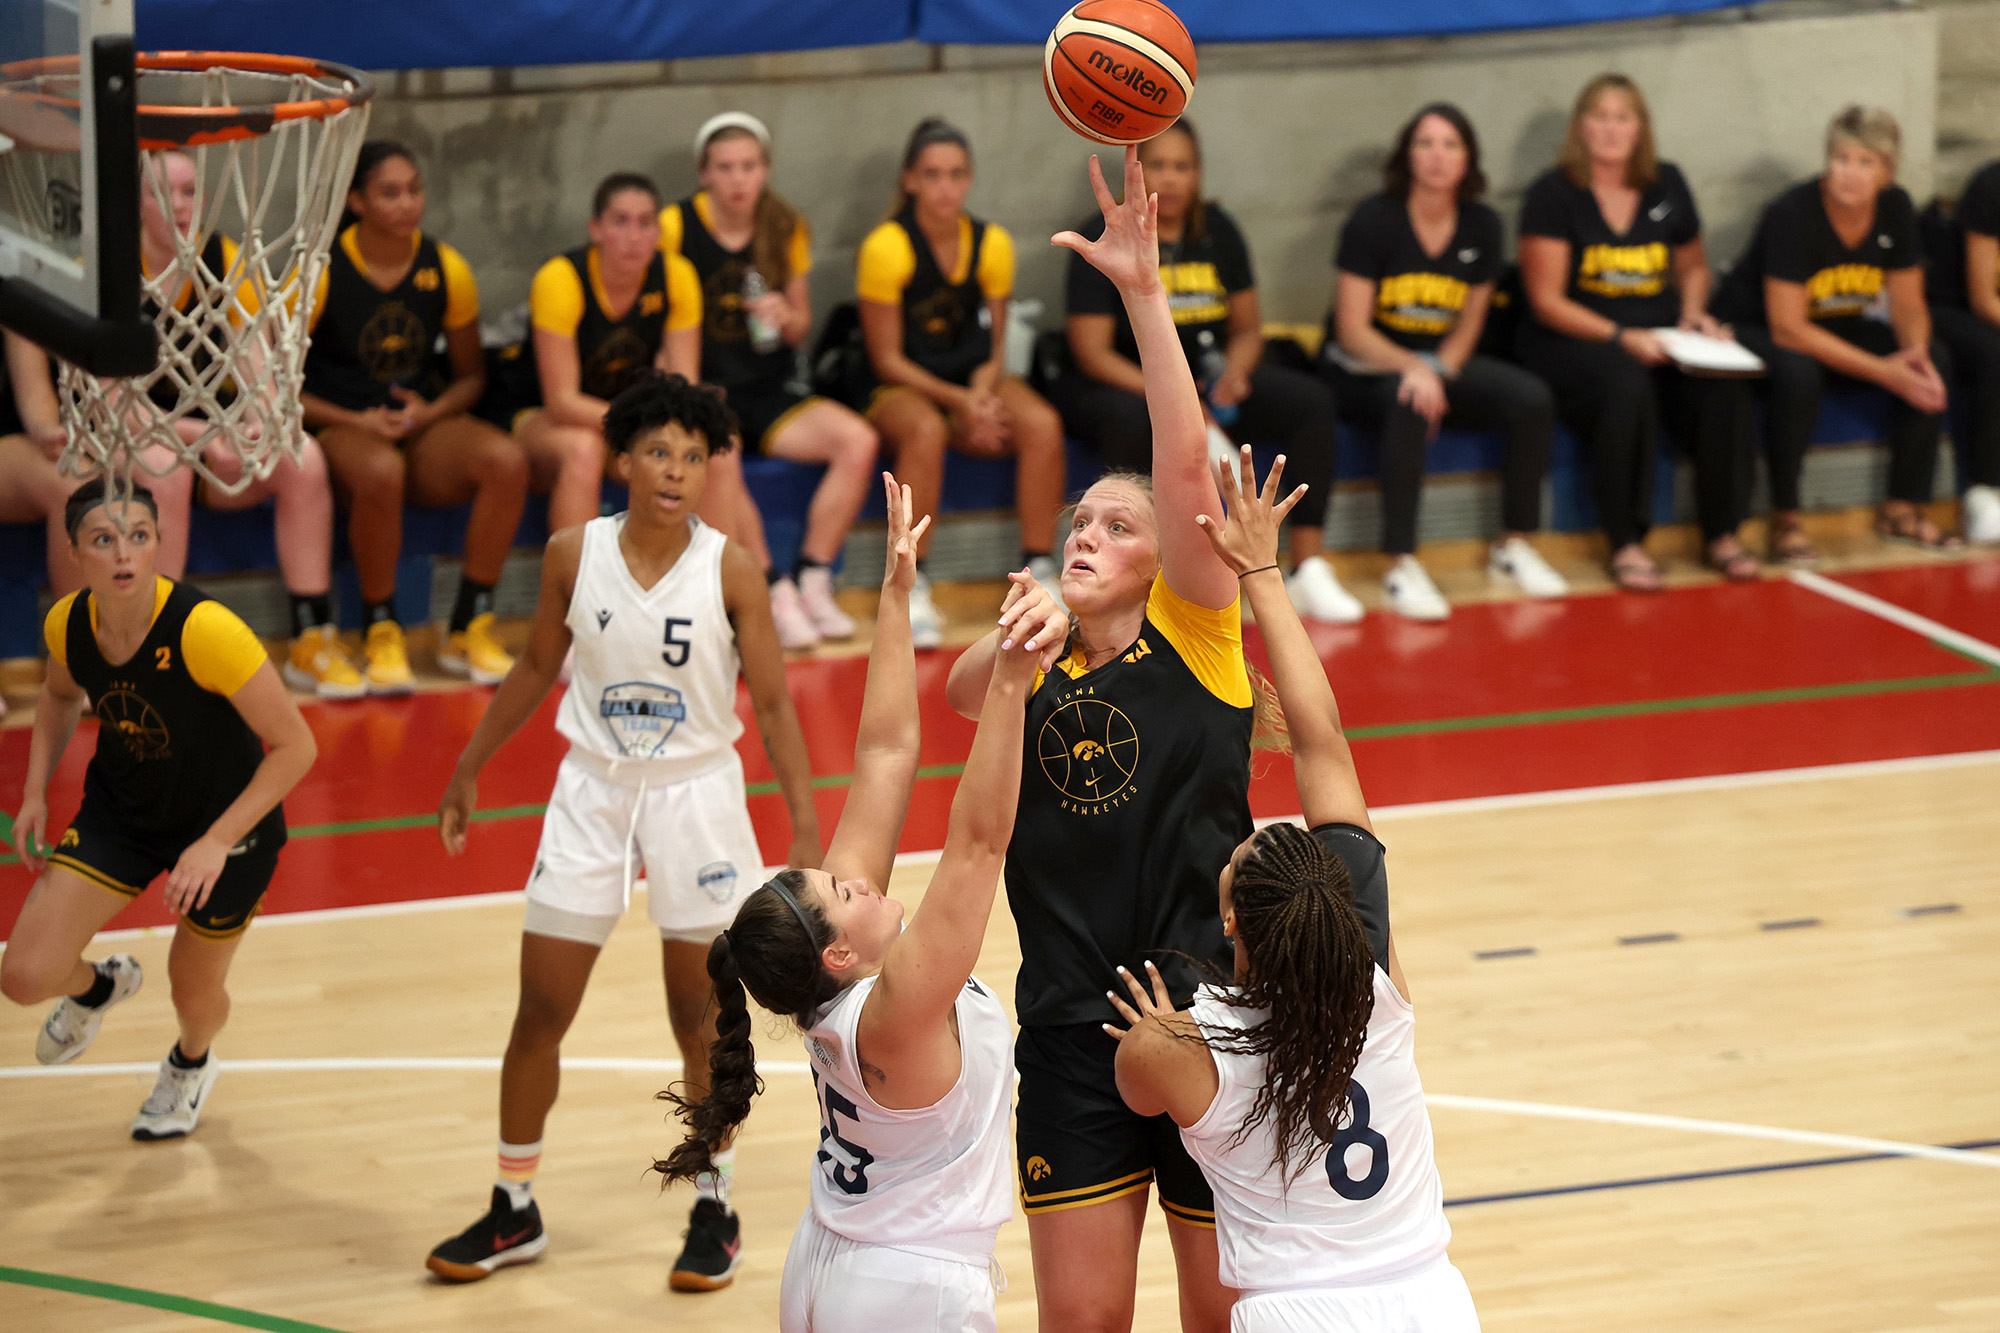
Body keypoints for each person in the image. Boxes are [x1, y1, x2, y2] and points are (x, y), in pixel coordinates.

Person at [944, 147, 1257, 1333]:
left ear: (1159, 557)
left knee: (1216, 1317)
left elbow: (1184, 471)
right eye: (1077, 519)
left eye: (1113, 525)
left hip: (1203, 1017)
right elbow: (962, 698)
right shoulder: (1035, 650)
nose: (1086, 531)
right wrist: (1025, 634)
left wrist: (1142, 296)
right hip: (1071, 1028)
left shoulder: (1197, 638)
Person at [425, 371, 822, 1291]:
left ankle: (712, 1206)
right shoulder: (574, 551)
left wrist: (803, 817)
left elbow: (772, 702)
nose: (674, 471)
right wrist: (468, 763)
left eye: (692, 455)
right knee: (541, 1009)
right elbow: (533, 666)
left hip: (698, 796)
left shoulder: (730, 567)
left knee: (701, 1018)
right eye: (658, 452)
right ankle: (513, 1205)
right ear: (624, 458)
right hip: (590, 792)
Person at [655, 477, 1063, 1332]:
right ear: (838, 949)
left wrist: (892, 593)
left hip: (833, 1262)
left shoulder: (831, 982)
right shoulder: (897, 1006)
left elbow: (882, 752)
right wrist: (1008, 687)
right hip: (904, 1289)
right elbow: (979, 841)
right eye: (845, 891)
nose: (862, 879)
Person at [1108, 443, 1478, 1333]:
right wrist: (1264, 573)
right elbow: (1324, 746)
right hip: (1432, 1297)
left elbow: (1133, 1089)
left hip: (1296, 1312)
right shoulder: (1378, 989)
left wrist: (1157, 1025)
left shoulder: (1179, 1047)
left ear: (1228, 922)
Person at [1, 477, 317, 1139]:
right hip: (125, 812)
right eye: (104, 539)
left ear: (157, 545)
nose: (123, 554)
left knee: (191, 989)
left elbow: (296, 746)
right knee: (26, 974)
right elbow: (59, 697)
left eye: (139, 536)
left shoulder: (206, 631)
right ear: (75, 551)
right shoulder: (68, 623)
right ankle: (96, 988)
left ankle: (190, 1064)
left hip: (227, 832)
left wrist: (215, 839)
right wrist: (35, 789)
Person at [1057, 117, 1359, 623]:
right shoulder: (1105, 233)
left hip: (1210, 382)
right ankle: (1156, 579)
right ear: (1136, 170)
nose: (1170, 178)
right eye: (1158, 165)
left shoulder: (1218, 230)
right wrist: (1172, 397)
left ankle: (1308, 566)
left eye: (1183, 166)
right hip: (1133, 385)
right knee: (1130, 422)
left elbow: (1246, 329)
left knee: (1311, 401)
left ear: (1199, 174)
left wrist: (1235, 372)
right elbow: (1092, 352)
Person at [303, 141, 531, 692]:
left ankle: (468, 625)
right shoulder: (321, 271)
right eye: (389, 192)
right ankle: (381, 629)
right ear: (356, 201)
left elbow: (471, 377)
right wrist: (356, 421)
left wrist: (431, 413)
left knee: (506, 459)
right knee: (381, 472)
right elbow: (277, 387)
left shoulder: (445, 267)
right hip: (341, 425)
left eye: (414, 190)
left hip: (416, 426)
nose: (406, 203)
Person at [1325, 104, 1568, 620]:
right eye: (1425, 143)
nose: (1437, 157)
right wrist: (1413, 369)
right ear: (1407, 155)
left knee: (1530, 399)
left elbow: (1470, 323)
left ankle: (1513, 545)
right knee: (1408, 401)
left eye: (1450, 144)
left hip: (1437, 366)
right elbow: (1352, 329)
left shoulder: (1481, 224)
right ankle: (1400, 564)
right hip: (1364, 368)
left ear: (1468, 159)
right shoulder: (1374, 219)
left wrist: (1436, 370)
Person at [1517, 74, 1759, 589]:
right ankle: (1625, 541)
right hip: (1577, 339)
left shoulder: (1666, 183)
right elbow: (1546, 300)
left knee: (1722, 387)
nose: (1609, 129)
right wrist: (1620, 337)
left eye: (1621, 117)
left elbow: (1693, 268)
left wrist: (1693, 315)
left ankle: (1723, 533)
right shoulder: (1552, 193)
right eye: (1599, 116)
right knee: (1625, 387)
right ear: (1581, 127)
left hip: (1661, 334)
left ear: (1639, 129)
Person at [138, 149, 362, 699]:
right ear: (133, 205)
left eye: (192, 192)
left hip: (211, 439)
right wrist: (204, 437)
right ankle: (156, 646)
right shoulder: (110, 270)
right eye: (165, 194)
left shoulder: (225, 257)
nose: (183, 206)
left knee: (302, 456)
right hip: (131, 441)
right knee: (165, 468)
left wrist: (257, 424)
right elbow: (119, 409)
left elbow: (256, 364)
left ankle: (313, 635)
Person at [665, 112, 879, 651]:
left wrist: (786, 315)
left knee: (858, 440)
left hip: (767, 385)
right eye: (726, 168)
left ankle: (812, 576)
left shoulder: (785, 226)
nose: (738, 179)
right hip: (707, 385)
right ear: (704, 174)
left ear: (765, 170)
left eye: (749, 167)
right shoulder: (674, 228)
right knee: (721, 451)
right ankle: (771, 586)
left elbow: (801, 328)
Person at [853, 117, 1067, 649]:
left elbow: (995, 344)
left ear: (969, 178)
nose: (945, 186)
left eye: (955, 174)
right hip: (901, 384)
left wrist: (979, 394)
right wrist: (959, 403)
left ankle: (1038, 566)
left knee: (1042, 423)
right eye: (932, 174)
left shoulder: (991, 242)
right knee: (925, 430)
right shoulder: (886, 247)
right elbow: (886, 360)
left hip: (968, 378)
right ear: (910, 181)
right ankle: (912, 581)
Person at [1717, 107, 1958, 554]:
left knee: (1935, 360)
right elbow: (1788, 328)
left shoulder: (1896, 208)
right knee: (1799, 374)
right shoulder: (1791, 213)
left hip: (1837, 323)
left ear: (1886, 173)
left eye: (1865, 163)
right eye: (1842, 159)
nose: (1850, 174)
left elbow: (1907, 302)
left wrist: (1915, 355)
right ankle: (1785, 518)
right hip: (1755, 326)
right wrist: (1885, 371)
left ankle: (1901, 508)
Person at [487, 171, 703, 536]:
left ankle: (718, 585)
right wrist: (645, 429)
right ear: (596, 229)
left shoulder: (677, 275)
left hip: (620, 421)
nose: (634, 237)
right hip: (537, 414)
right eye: (621, 222)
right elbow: (562, 403)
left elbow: (684, 388)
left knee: (705, 446)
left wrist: (665, 430)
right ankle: (578, 588)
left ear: (658, 232)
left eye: (645, 223)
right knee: (584, 449)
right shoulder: (561, 279)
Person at [1925, 159, 2000, 544]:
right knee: (1994, 351)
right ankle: (1985, 492)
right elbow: (1985, 300)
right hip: (1951, 307)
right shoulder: (1990, 186)